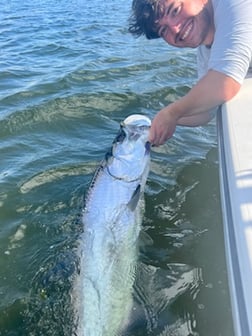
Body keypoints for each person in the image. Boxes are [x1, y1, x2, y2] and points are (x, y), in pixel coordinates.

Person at [128, 0, 252, 146]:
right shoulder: (206, 52)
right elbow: (206, 112)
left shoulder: (234, 4)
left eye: (174, 10)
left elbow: (225, 83)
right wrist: (160, 123)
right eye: (163, 30)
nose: (175, 29)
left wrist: (172, 113)